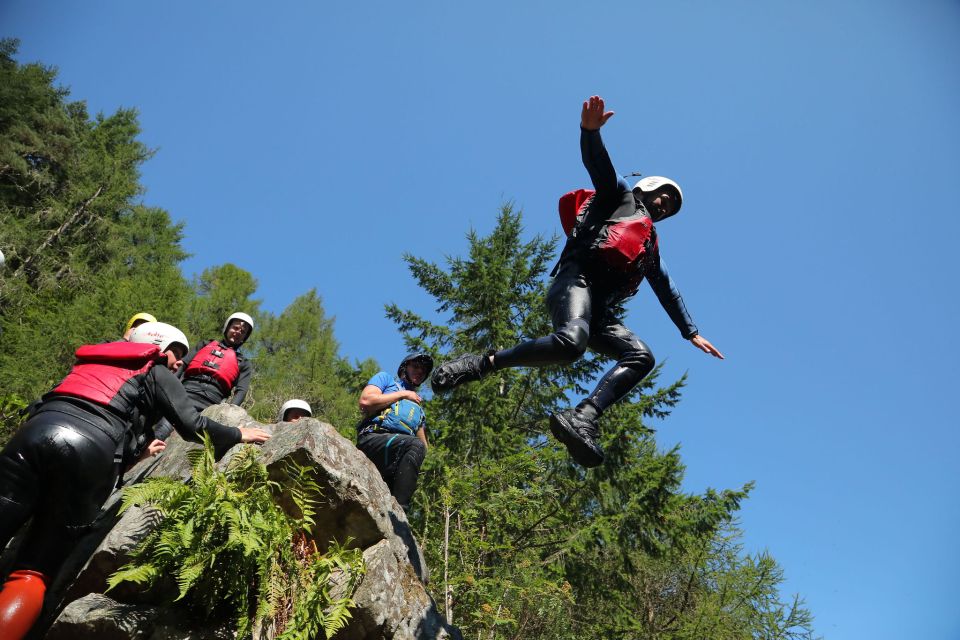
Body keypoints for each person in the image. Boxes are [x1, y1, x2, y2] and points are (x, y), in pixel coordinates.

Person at [432, 95, 723, 469]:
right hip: (575, 281)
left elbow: (668, 289)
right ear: (647, 189)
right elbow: (599, 165)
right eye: (663, 196)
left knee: (641, 356)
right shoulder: (618, 199)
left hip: (598, 309)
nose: (666, 205)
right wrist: (590, 132)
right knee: (572, 344)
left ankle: (583, 417)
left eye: (672, 206)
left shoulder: (651, 248)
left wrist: (690, 332)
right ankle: (484, 363)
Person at [0, 321, 270, 639]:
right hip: (91, 451)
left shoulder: (91, 360)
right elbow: (190, 423)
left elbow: (40, 405)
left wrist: (138, 454)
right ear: (155, 348)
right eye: (175, 352)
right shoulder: (156, 371)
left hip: (36, 432)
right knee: (30, 572)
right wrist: (238, 433)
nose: (181, 361)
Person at [356, 353, 433, 510]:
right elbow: (365, 401)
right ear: (405, 368)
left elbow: (423, 446)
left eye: (423, 371)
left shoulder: (418, 409)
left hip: (395, 454)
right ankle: (401, 512)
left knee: (416, 449)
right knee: (414, 445)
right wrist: (404, 394)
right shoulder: (386, 380)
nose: (419, 371)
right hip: (373, 439)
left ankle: (393, 518)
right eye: (416, 367)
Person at [177, 312, 255, 411]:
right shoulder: (204, 344)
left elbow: (241, 391)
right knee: (164, 425)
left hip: (210, 404)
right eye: (235, 328)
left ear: (245, 337)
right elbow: (182, 365)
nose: (238, 332)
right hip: (185, 392)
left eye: (243, 332)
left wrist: (228, 412)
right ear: (227, 328)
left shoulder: (243, 362)